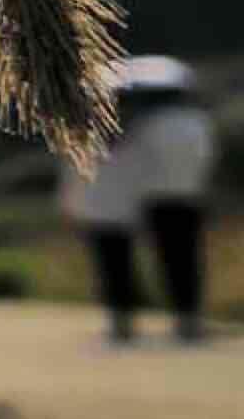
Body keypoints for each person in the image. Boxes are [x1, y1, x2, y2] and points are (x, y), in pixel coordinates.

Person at [59, 55, 219, 342]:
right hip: (181, 198)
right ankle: (186, 320)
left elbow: (82, 175)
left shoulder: (134, 129)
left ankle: (126, 322)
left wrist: (75, 205)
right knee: (181, 260)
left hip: (128, 205)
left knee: (118, 264)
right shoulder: (194, 123)